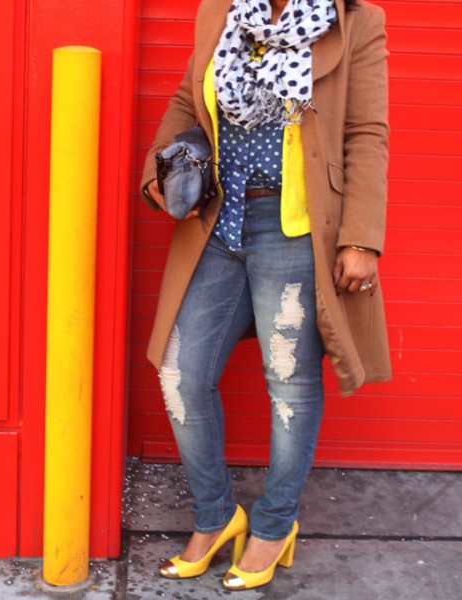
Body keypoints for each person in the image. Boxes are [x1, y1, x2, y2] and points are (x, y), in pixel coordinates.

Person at [140, 0, 391, 591]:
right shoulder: (219, 12)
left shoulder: (356, 22)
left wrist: (361, 238)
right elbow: (187, 98)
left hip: (294, 228)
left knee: (289, 382)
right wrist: (160, 171)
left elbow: (366, 132)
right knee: (181, 373)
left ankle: (275, 525)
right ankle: (216, 515)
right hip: (216, 222)